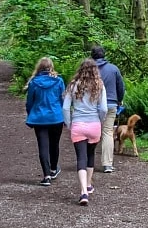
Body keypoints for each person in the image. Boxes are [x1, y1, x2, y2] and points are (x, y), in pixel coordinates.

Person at [62, 58, 107, 206]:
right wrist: (99, 120)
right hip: (94, 124)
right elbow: (104, 109)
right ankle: (88, 184)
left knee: (81, 157)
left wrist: (69, 123)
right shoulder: (99, 85)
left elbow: (65, 108)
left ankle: (83, 192)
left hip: (78, 125)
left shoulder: (73, 85)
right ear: (95, 71)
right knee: (90, 155)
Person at [25, 57, 66, 186]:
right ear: (51, 67)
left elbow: (29, 102)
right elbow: (63, 100)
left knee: (43, 146)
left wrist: (31, 113)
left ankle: (46, 175)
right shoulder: (59, 81)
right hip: (56, 117)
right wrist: (64, 115)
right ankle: (53, 169)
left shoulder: (34, 83)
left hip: (39, 118)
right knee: (54, 144)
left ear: (39, 67)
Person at [91, 45, 125, 174]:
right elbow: (121, 87)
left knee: (92, 132)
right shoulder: (113, 69)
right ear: (104, 55)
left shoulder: (88, 70)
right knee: (107, 133)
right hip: (111, 104)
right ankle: (107, 164)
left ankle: (88, 162)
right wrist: (119, 100)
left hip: (92, 105)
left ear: (92, 56)